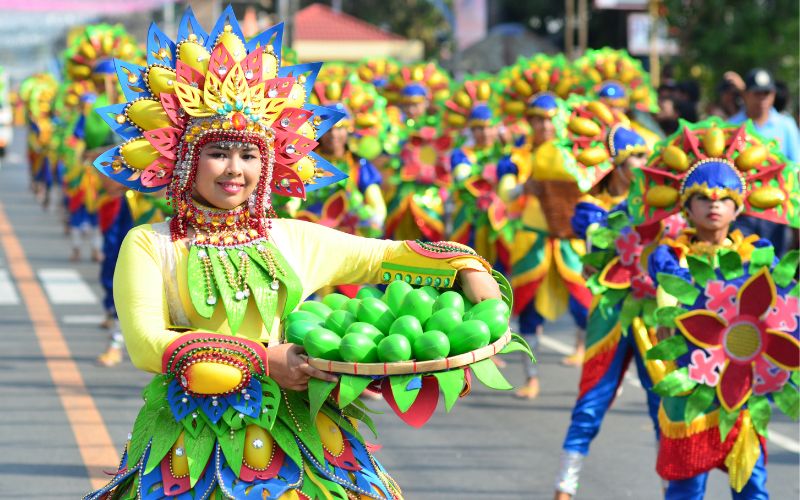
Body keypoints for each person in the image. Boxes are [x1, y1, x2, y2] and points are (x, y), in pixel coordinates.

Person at [84, 8, 502, 499]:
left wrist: (468, 264)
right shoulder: (151, 244)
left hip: (305, 434)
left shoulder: (291, 237)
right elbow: (146, 343)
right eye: (218, 152)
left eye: (250, 154)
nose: (234, 170)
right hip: (195, 443)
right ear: (184, 160)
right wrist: (264, 360)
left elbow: (389, 256)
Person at [631, 118, 799, 499]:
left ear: (739, 207)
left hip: (741, 386)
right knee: (687, 485)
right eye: (703, 198)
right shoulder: (670, 256)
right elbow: (668, 309)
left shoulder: (757, 255)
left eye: (724, 198)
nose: (714, 206)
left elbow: (782, 312)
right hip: (692, 384)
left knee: (751, 484)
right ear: (685, 206)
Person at [554, 122, 678, 499]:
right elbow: (595, 247)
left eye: (645, 156)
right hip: (610, 311)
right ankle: (565, 486)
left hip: (651, 310)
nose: (641, 164)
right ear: (616, 164)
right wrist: (631, 211)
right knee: (591, 399)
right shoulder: (593, 208)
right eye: (633, 157)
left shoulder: (663, 205)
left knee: (663, 403)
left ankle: (670, 488)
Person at [729, 68, 800, 255]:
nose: (762, 99)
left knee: (776, 271)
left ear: (774, 95)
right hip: (742, 213)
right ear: (745, 95)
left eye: (766, 93)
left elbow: (796, 169)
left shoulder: (786, 126)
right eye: (756, 93)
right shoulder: (732, 127)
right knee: (743, 268)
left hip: (777, 211)